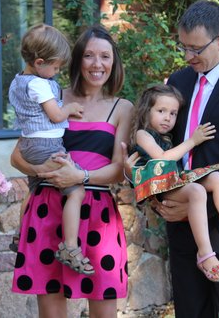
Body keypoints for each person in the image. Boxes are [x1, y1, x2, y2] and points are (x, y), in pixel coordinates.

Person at [127, 0, 219, 317]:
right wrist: (153, 190)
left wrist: (195, 206)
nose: (188, 56)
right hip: (183, 230)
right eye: (183, 47)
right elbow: (160, 146)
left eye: (195, 48)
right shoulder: (178, 82)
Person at [11, 25, 133, 318]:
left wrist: (81, 177)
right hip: (48, 209)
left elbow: (119, 170)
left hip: (98, 214)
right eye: (89, 55)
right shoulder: (53, 97)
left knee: (103, 309)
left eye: (105, 56)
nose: (97, 64)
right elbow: (17, 156)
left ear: (114, 62)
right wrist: (40, 171)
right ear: (77, 60)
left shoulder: (123, 108)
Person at [129, 83, 219, 283]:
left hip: (173, 181)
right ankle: (205, 253)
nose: (168, 118)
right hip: (159, 186)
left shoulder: (166, 137)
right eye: (161, 111)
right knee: (197, 191)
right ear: (146, 111)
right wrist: (193, 141)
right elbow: (162, 158)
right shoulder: (143, 134)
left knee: (217, 178)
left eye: (173, 113)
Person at [8, 24, 90, 273]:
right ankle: (70, 247)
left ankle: (20, 234)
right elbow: (55, 115)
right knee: (76, 191)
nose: (57, 72)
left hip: (29, 143)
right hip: (46, 145)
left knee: (33, 189)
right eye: (55, 67)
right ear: (39, 62)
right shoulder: (39, 84)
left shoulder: (18, 81)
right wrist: (70, 109)